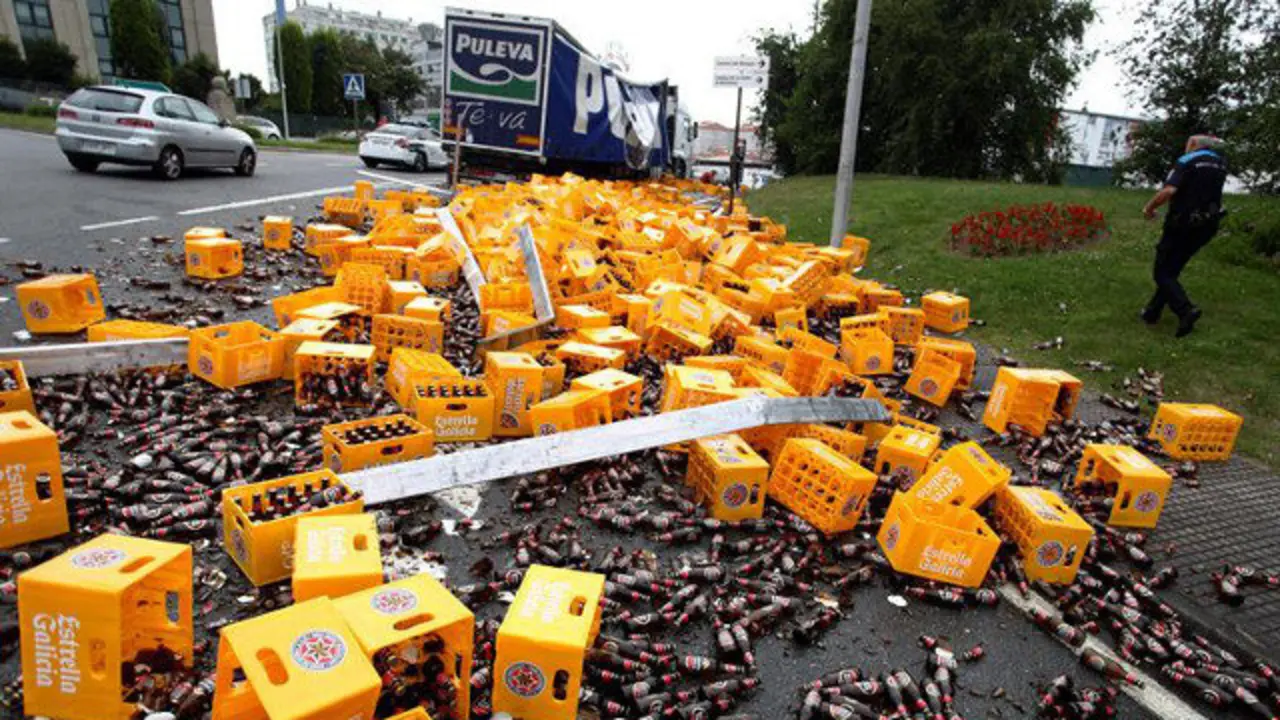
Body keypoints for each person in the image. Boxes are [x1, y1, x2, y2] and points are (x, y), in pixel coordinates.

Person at [1140, 134, 1228, 338]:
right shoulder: (1220, 164)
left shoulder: (1188, 160)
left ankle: (1186, 310)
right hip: (1207, 225)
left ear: (1195, 145)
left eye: (1188, 143)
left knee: (1161, 272)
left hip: (1183, 223)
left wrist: (1149, 208)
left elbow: (1169, 190)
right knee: (1173, 269)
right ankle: (1152, 312)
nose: (1185, 147)